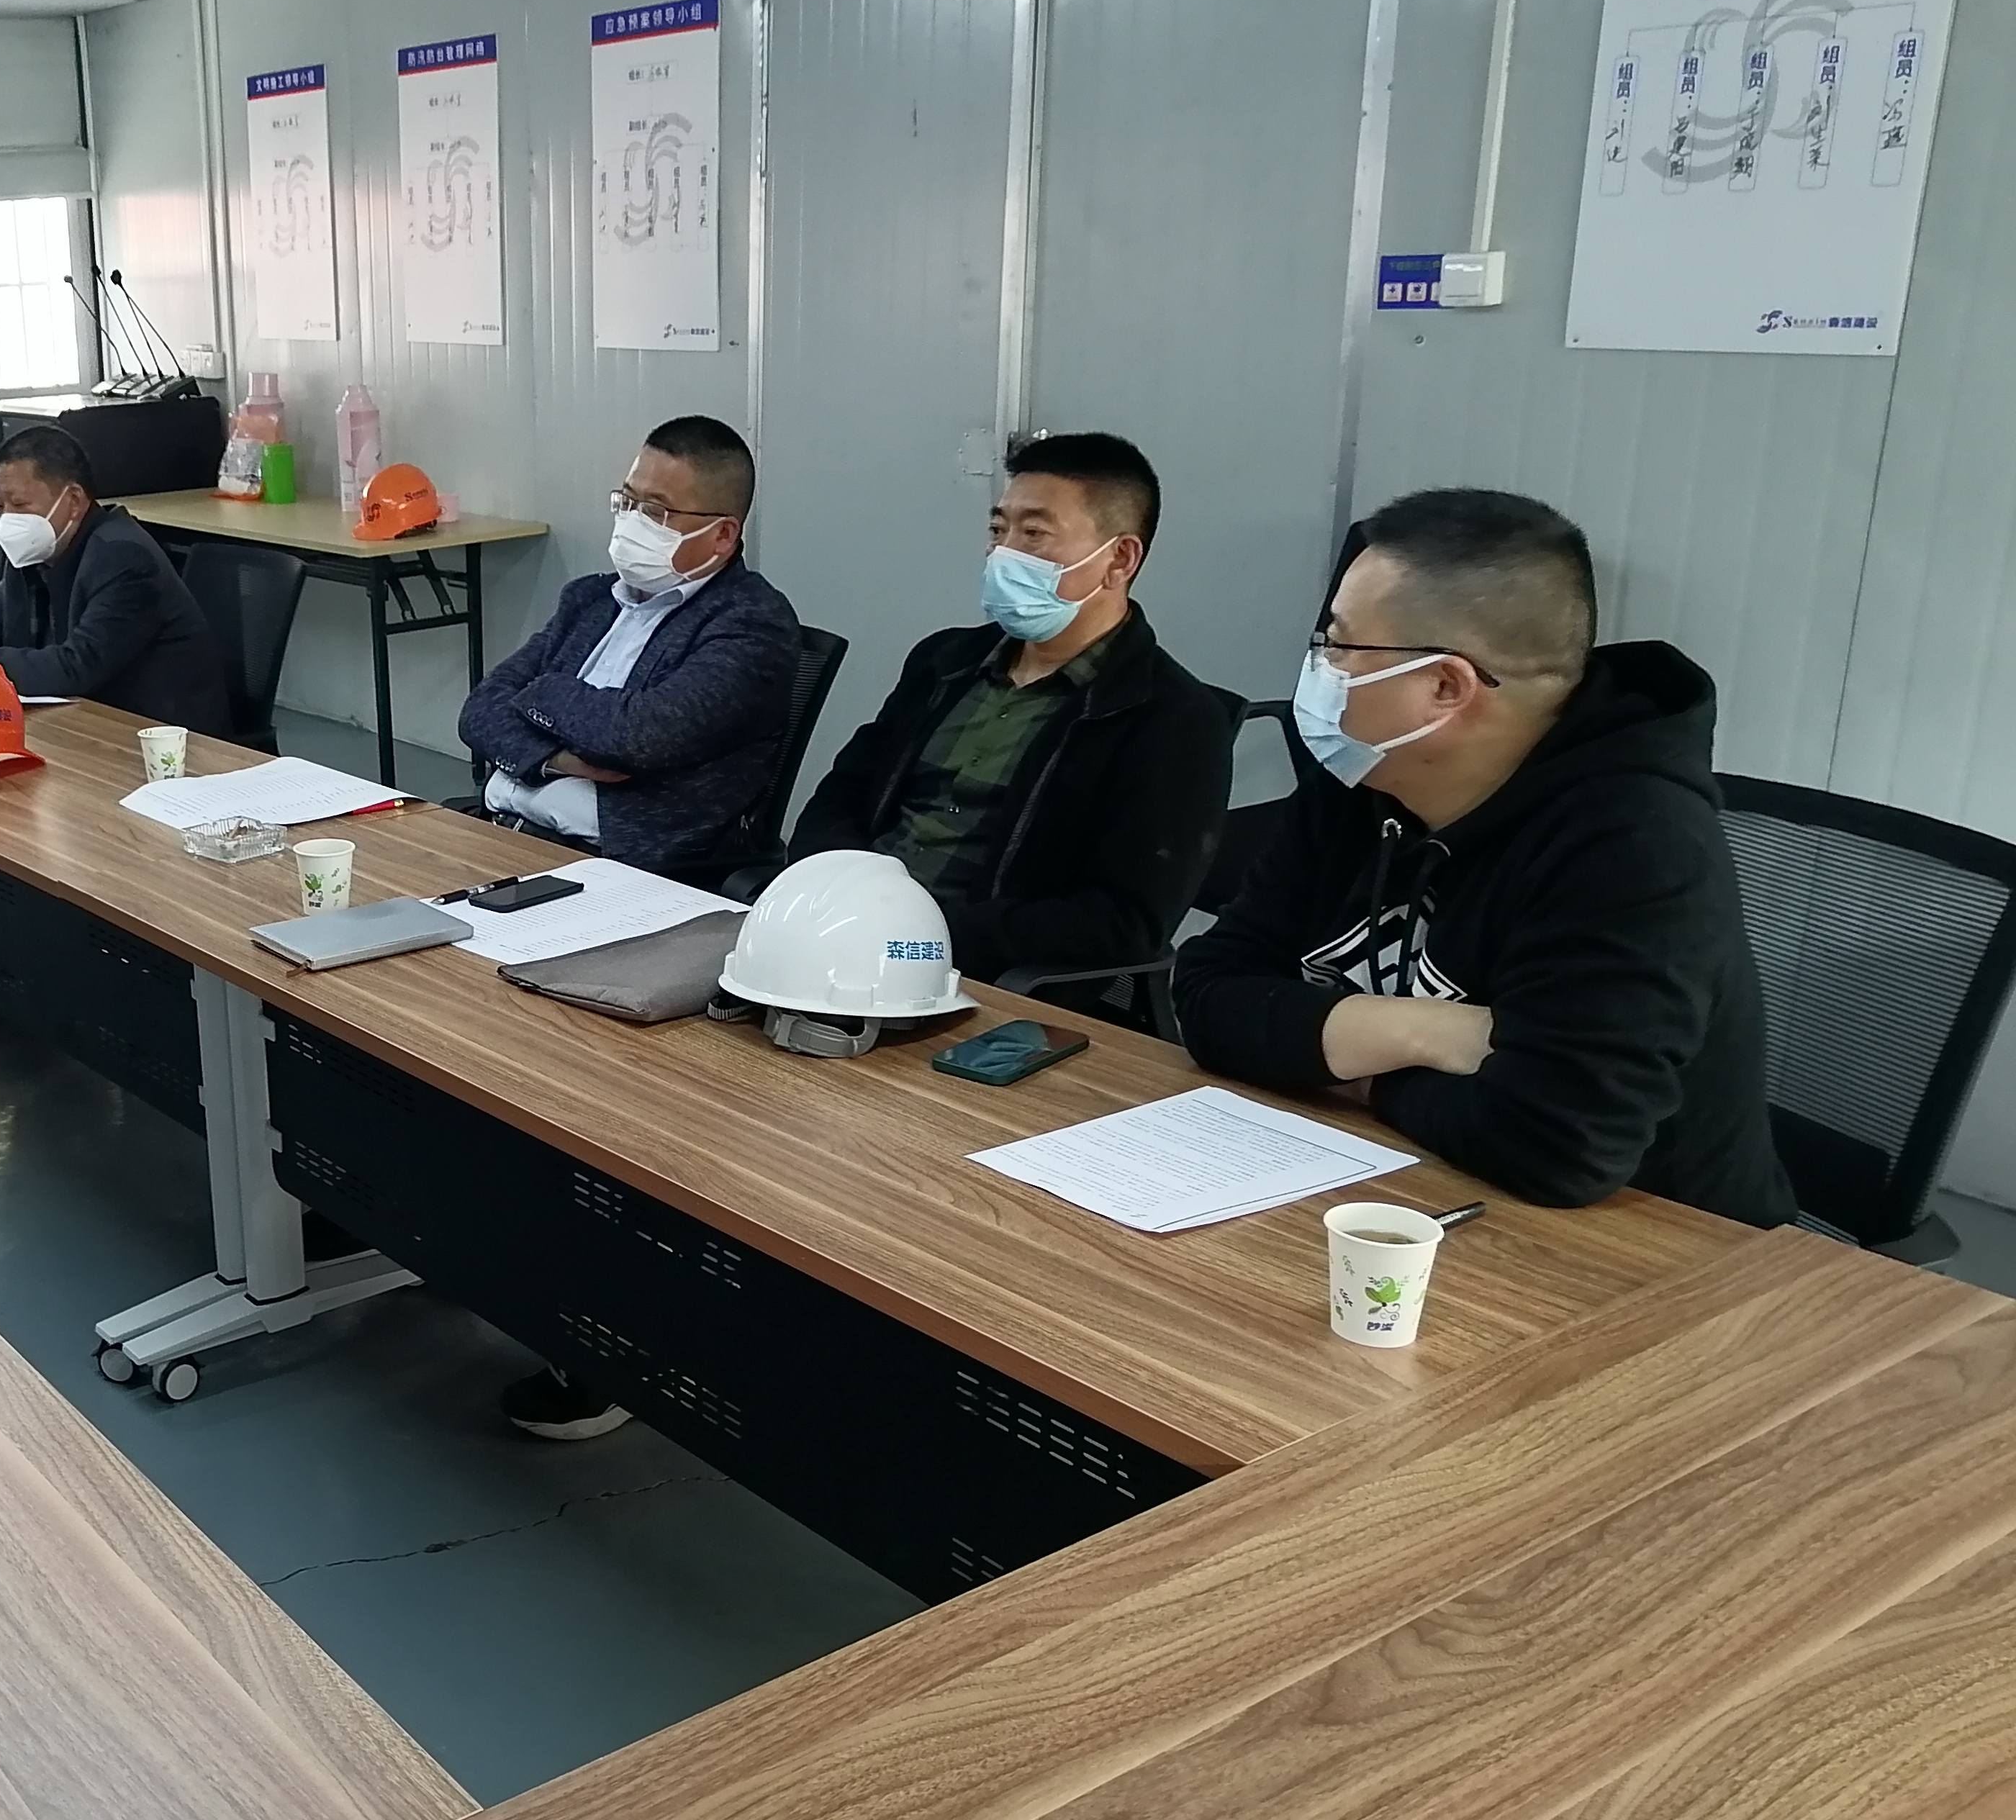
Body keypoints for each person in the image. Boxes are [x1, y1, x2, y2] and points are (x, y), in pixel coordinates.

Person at [1174, 487, 1795, 1226]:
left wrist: (1340, 1062)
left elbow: (1559, 1145)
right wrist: (1421, 1033)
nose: (1319, 665)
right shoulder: (1362, 781)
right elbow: (1208, 997)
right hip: (1403, 1179)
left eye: (1339, 644)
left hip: (1661, 1249)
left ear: (1445, 686)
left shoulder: (1635, 847)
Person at [789, 432, 1230, 1015]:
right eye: (999, 530)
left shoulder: (1172, 720)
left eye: (1034, 534)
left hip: (985, 983)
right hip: (840, 940)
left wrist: (920, 932)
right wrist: (836, 890)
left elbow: (1123, 922)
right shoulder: (945, 663)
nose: (1004, 553)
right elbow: (841, 795)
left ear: (1119, 559)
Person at [457, 415, 802, 882]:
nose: (632, 521)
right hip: (499, 833)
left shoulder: (752, 625)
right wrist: (557, 760)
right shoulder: (590, 600)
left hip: (616, 869)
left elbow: (634, 738)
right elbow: (479, 712)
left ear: (722, 535)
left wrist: (540, 691)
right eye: (627, 501)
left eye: (656, 512)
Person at [0, 426, 231, 736]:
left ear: (73, 500)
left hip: (165, 743)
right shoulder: (39, 549)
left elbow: (74, 666)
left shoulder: (125, 559)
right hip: (79, 727)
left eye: (19, 505)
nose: (6, 519)